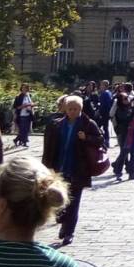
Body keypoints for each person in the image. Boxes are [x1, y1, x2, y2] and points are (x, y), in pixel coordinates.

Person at [41, 95, 102, 246]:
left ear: (81, 109)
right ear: (65, 109)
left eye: (75, 109)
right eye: (70, 109)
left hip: (77, 170)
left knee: (73, 203)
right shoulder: (56, 124)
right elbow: (48, 147)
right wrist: (45, 167)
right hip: (58, 170)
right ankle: (63, 221)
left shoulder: (88, 124)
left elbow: (101, 140)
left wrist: (86, 138)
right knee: (57, 201)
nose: (72, 111)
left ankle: (69, 232)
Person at [113, 97, 134, 181]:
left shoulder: (131, 108)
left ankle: (132, 173)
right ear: (121, 101)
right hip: (125, 135)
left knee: (133, 154)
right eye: (125, 99)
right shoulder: (120, 110)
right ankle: (118, 172)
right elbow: (126, 120)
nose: (127, 100)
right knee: (123, 154)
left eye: (128, 98)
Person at [97, 79, 114, 148]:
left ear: (104, 85)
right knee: (105, 127)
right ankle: (106, 141)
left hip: (104, 113)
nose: (100, 86)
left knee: (98, 126)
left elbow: (103, 105)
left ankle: (103, 140)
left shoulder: (104, 93)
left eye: (101, 85)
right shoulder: (109, 92)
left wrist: (99, 112)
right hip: (107, 113)